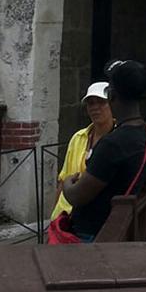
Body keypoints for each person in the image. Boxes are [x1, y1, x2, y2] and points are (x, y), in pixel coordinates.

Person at [59, 60, 146, 241]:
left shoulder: (112, 144)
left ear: (112, 96)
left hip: (94, 232)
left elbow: (77, 196)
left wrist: (69, 183)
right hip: (125, 227)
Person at [51, 81, 114, 221]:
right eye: (90, 103)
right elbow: (63, 180)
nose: (95, 108)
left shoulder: (121, 137)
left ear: (112, 104)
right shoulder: (78, 138)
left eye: (101, 102)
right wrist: (53, 218)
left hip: (96, 217)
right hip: (65, 215)